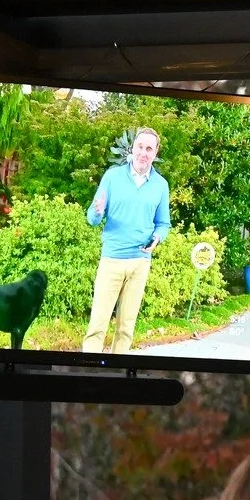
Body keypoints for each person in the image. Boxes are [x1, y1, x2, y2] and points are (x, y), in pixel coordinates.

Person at [83, 125, 170, 353]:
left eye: (149, 149)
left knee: (126, 328)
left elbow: (163, 223)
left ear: (155, 153)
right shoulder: (112, 177)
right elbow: (92, 218)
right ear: (132, 149)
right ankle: (88, 372)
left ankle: (117, 375)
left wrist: (158, 238)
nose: (143, 152)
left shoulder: (161, 186)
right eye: (140, 147)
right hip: (112, 259)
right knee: (97, 325)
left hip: (140, 262)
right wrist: (98, 211)